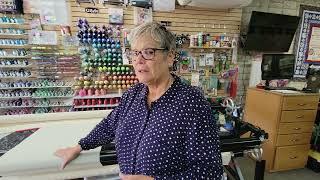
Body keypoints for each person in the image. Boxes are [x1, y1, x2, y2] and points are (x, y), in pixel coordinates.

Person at [55, 22, 223, 180]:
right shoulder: (133, 94)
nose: (138, 60)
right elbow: (109, 124)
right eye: (135, 52)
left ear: (170, 56)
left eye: (148, 52)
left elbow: (210, 170)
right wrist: (79, 147)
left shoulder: (192, 103)